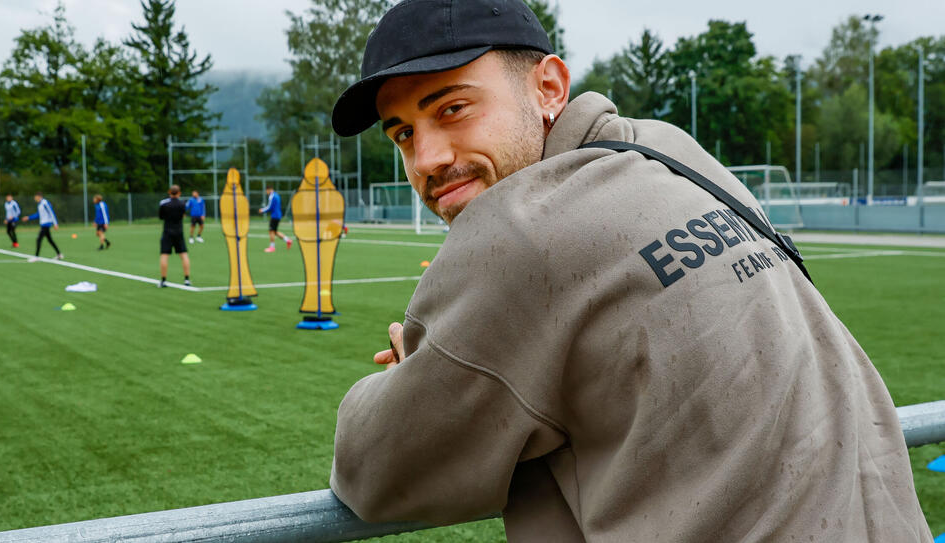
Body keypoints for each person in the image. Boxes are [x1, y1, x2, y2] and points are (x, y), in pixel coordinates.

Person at [327, 1, 931, 542]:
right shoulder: (671, 151)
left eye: (453, 108)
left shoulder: (517, 228)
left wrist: (416, 368)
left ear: (548, 88)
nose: (427, 158)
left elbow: (373, 469)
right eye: (404, 134)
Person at [158, 185, 191, 287]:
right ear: (179, 193)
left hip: (167, 232)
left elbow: (161, 216)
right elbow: (183, 215)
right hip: (179, 232)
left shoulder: (164, 204)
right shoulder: (182, 204)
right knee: (184, 255)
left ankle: (163, 280)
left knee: (164, 255)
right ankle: (187, 279)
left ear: (169, 192)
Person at [21, 192, 63, 261]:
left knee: (38, 239)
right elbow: (38, 215)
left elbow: (51, 212)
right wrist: (28, 218)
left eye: (35, 197)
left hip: (46, 224)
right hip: (44, 224)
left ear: (39, 196)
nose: (34, 198)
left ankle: (36, 257)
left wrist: (55, 223)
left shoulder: (45, 203)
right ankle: (59, 254)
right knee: (50, 240)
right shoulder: (39, 204)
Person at [258, 186, 291, 252]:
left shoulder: (272, 196)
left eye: (266, 191)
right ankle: (288, 240)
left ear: (269, 190)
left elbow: (270, 207)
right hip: (278, 215)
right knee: (274, 231)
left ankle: (272, 247)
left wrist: (262, 210)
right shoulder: (277, 195)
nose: (266, 192)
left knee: (271, 231)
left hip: (275, 216)